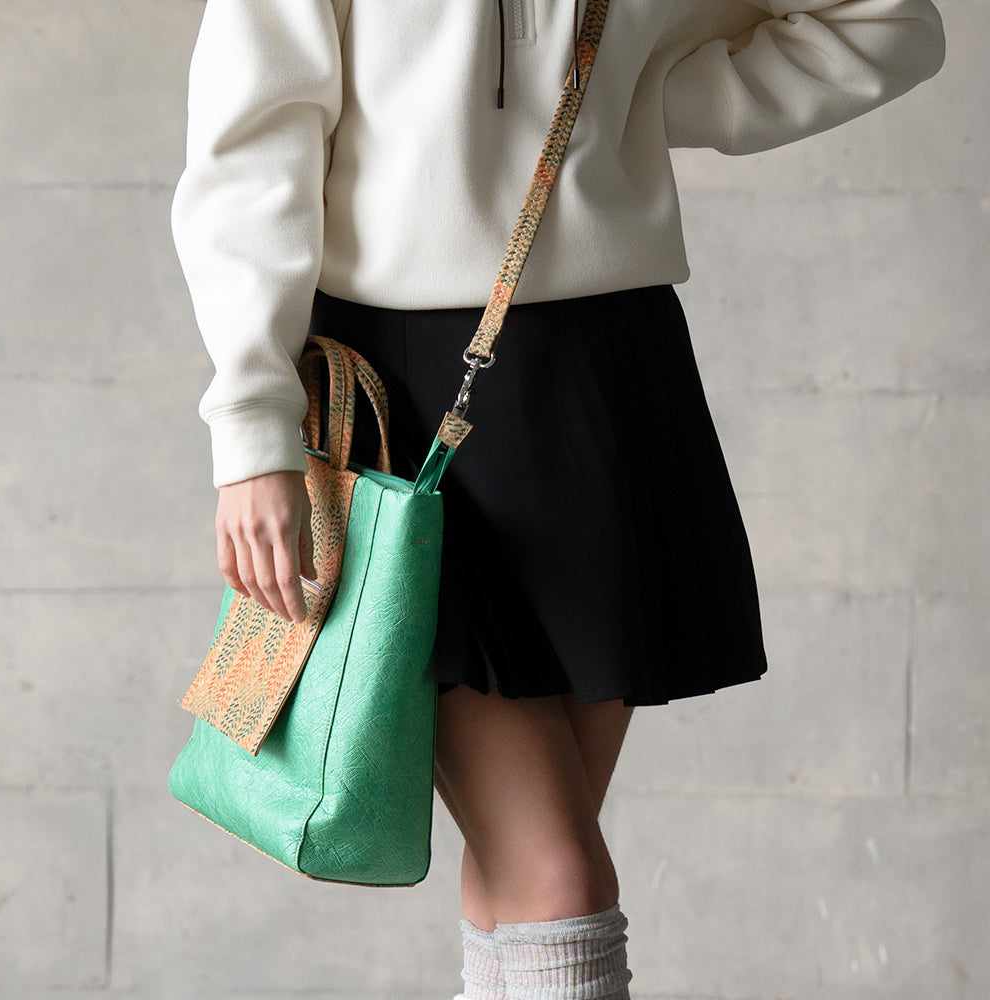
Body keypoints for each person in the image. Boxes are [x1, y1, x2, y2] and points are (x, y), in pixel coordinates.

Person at [170, 1, 944, 996]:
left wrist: (649, 90)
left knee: (524, 879)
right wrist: (251, 428)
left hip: (610, 380)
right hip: (403, 403)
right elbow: (250, 151)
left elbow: (888, 22)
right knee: (556, 877)